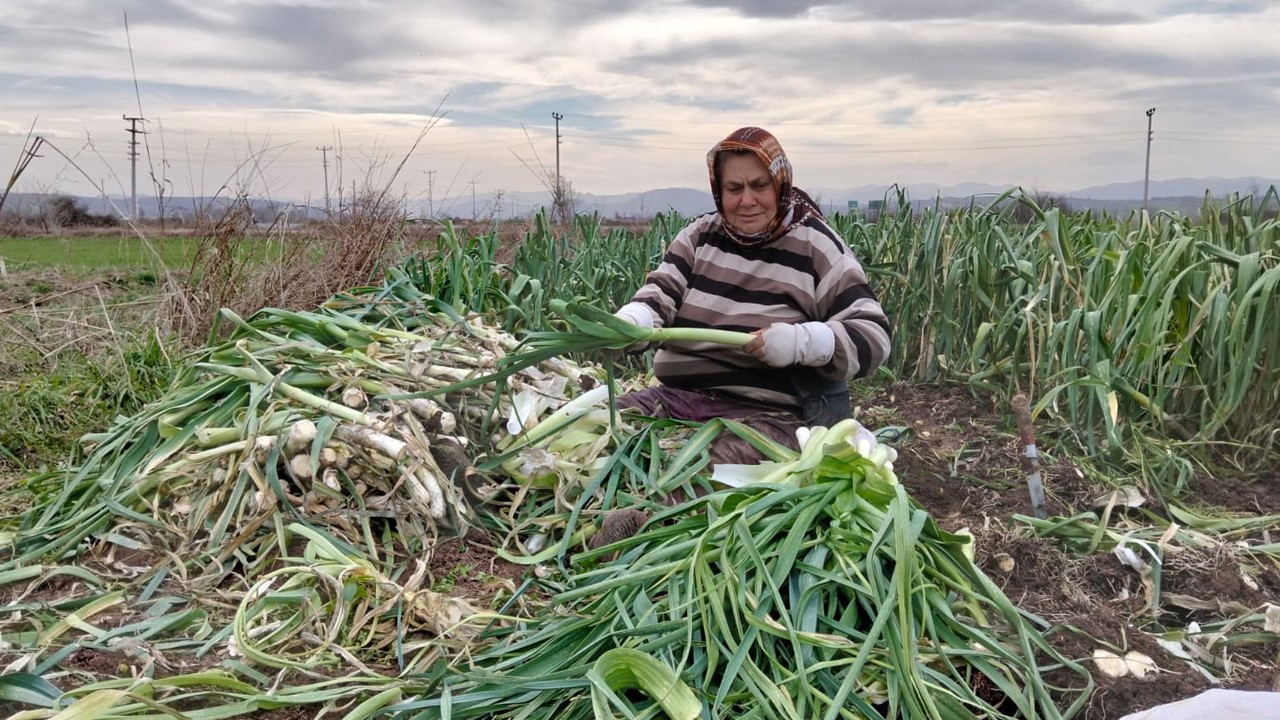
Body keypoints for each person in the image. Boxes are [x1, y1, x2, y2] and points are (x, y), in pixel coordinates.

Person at [611, 126, 893, 467]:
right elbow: (661, 294)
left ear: (780, 183)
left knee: (706, 470)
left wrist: (803, 343)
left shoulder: (815, 245)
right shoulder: (700, 237)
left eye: (759, 186)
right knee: (601, 428)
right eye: (734, 188)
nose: (747, 200)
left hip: (769, 416)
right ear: (719, 190)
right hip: (677, 400)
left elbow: (873, 336)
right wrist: (633, 321)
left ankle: (646, 515)